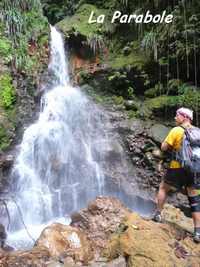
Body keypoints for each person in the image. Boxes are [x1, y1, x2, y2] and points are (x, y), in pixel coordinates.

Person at [153, 107, 200, 243]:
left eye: (177, 115)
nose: (175, 118)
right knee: (195, 199)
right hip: (195, 170)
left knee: (163, 188)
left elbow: (164, 147)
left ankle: (157, 214)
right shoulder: (198, 131)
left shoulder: (177, 130)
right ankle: (198, 232)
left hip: (177, 167)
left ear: (184, 117)